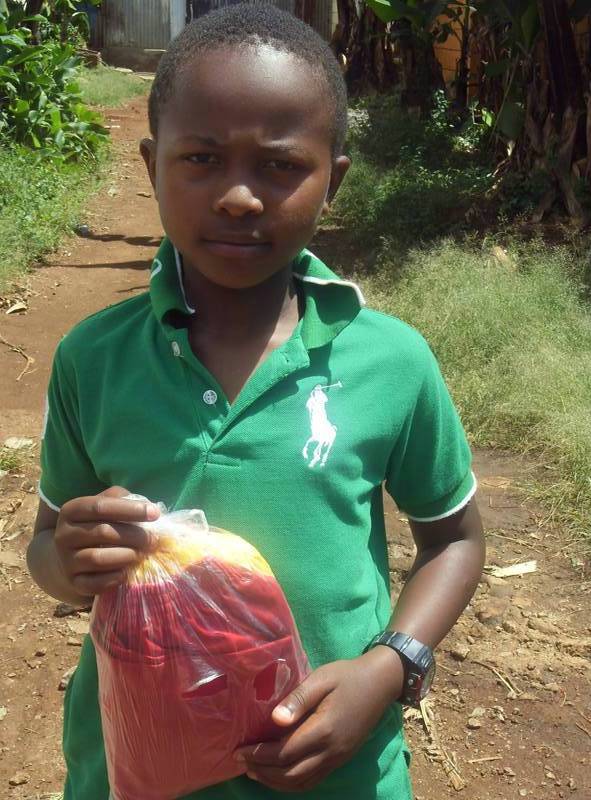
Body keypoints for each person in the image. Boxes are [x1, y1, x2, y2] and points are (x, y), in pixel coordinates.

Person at [27, 5, 486, 799]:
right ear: (152, 167)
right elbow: (46, 548)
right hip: (138, 763)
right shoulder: (92, 360)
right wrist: (67, 562)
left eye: (280, 166)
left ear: (333, 181)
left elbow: (454, 540)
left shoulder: (391, 361)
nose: (238, 196)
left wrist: (390, 666)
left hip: (337, 770)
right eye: (201, 158)